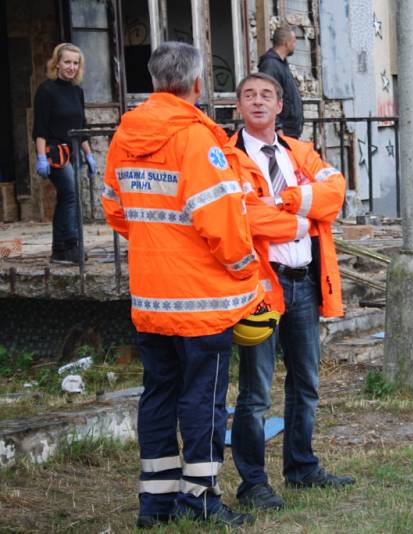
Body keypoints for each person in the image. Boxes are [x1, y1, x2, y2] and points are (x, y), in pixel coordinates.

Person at [102, 42, 264, 529]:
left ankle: (155, 505)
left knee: (158, 395)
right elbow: (221, 222)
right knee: (203, 400)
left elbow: (115, 209)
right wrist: (246, 271)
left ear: (154, 80)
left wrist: (159, 241)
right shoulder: (196, 140)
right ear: (197, 84)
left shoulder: (125, 135)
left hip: (152, 297)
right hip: (200, 303)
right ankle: (201, 499)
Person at [225, 72, 352, 512]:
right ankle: (253, 483)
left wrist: (289, 200)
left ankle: (301, 466)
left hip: (304, 281)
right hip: (261, 286)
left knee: (307, 383)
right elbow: (244, 218)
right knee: (256, 392)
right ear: (238, 106)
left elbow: (334, 193)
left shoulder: (299, 151)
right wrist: (302, 216)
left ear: (280, 106)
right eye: (249, 95)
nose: (258, 102)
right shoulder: (227, 157)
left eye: (267, 95)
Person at [33, 43, 97, 264]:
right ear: (57, 63)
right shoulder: (46, 90)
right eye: (67, 62)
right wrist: (41, 157)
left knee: (68, 198)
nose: (71, 67)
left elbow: (81, 126)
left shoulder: (77, 91)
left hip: (74, 153)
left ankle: (59, 250)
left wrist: (89, 156)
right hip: (54, 152)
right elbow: (39, 128)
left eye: (75, 63)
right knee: (70, 195)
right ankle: (70, 245)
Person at [257, 26, 304, 138]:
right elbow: (266, 97)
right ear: (286, 43)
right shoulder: (271, 65)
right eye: (293, 42)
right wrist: (277, 127)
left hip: (290, 131)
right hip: (282, 132)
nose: (294, 45)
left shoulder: (281, 64)